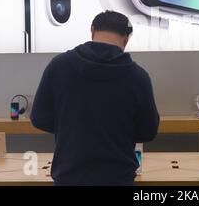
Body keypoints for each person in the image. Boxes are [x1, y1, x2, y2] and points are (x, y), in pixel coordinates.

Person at [30, 10, 159, 186]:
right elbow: (148, 131)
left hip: (69, 177)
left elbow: (39, 118)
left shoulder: (58, 66)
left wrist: (69, 126)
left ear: (92, 31)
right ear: (126, 40)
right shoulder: (138, 77)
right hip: (118, 179)